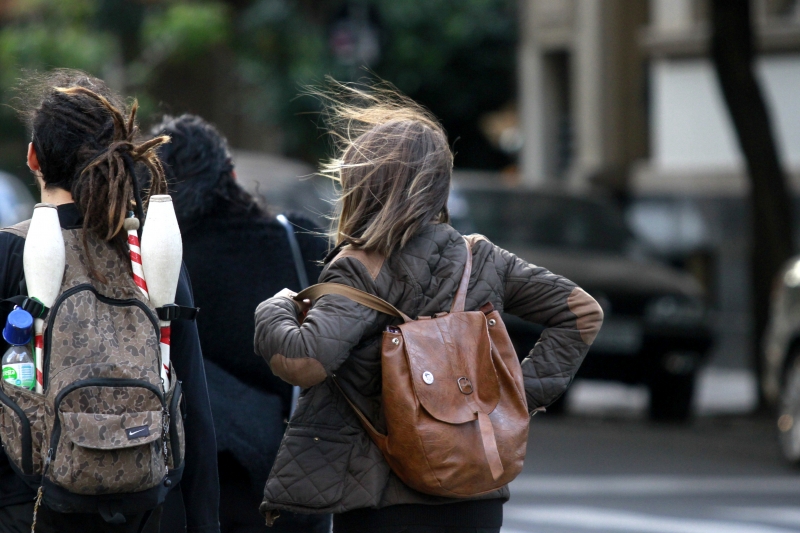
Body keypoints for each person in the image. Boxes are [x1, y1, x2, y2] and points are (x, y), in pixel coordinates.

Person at [253, 82, 604, 533]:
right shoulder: (483, 259)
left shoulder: (361, 268)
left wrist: (275, 307)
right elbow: (580, 312)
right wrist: (515, 398)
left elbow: (304, 361)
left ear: (363, 185)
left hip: (382, 500)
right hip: (475, 493)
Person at [0, 71, 220, 533]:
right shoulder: (150, 255)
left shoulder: (9, 252)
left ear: (33, 157)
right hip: (143, 501)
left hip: (28, 502)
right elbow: (193, 404)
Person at [150, 115, 330, 533]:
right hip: (296, 480)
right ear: (231, 174)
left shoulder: (157, 263)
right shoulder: (302, 240)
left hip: (195, 487)